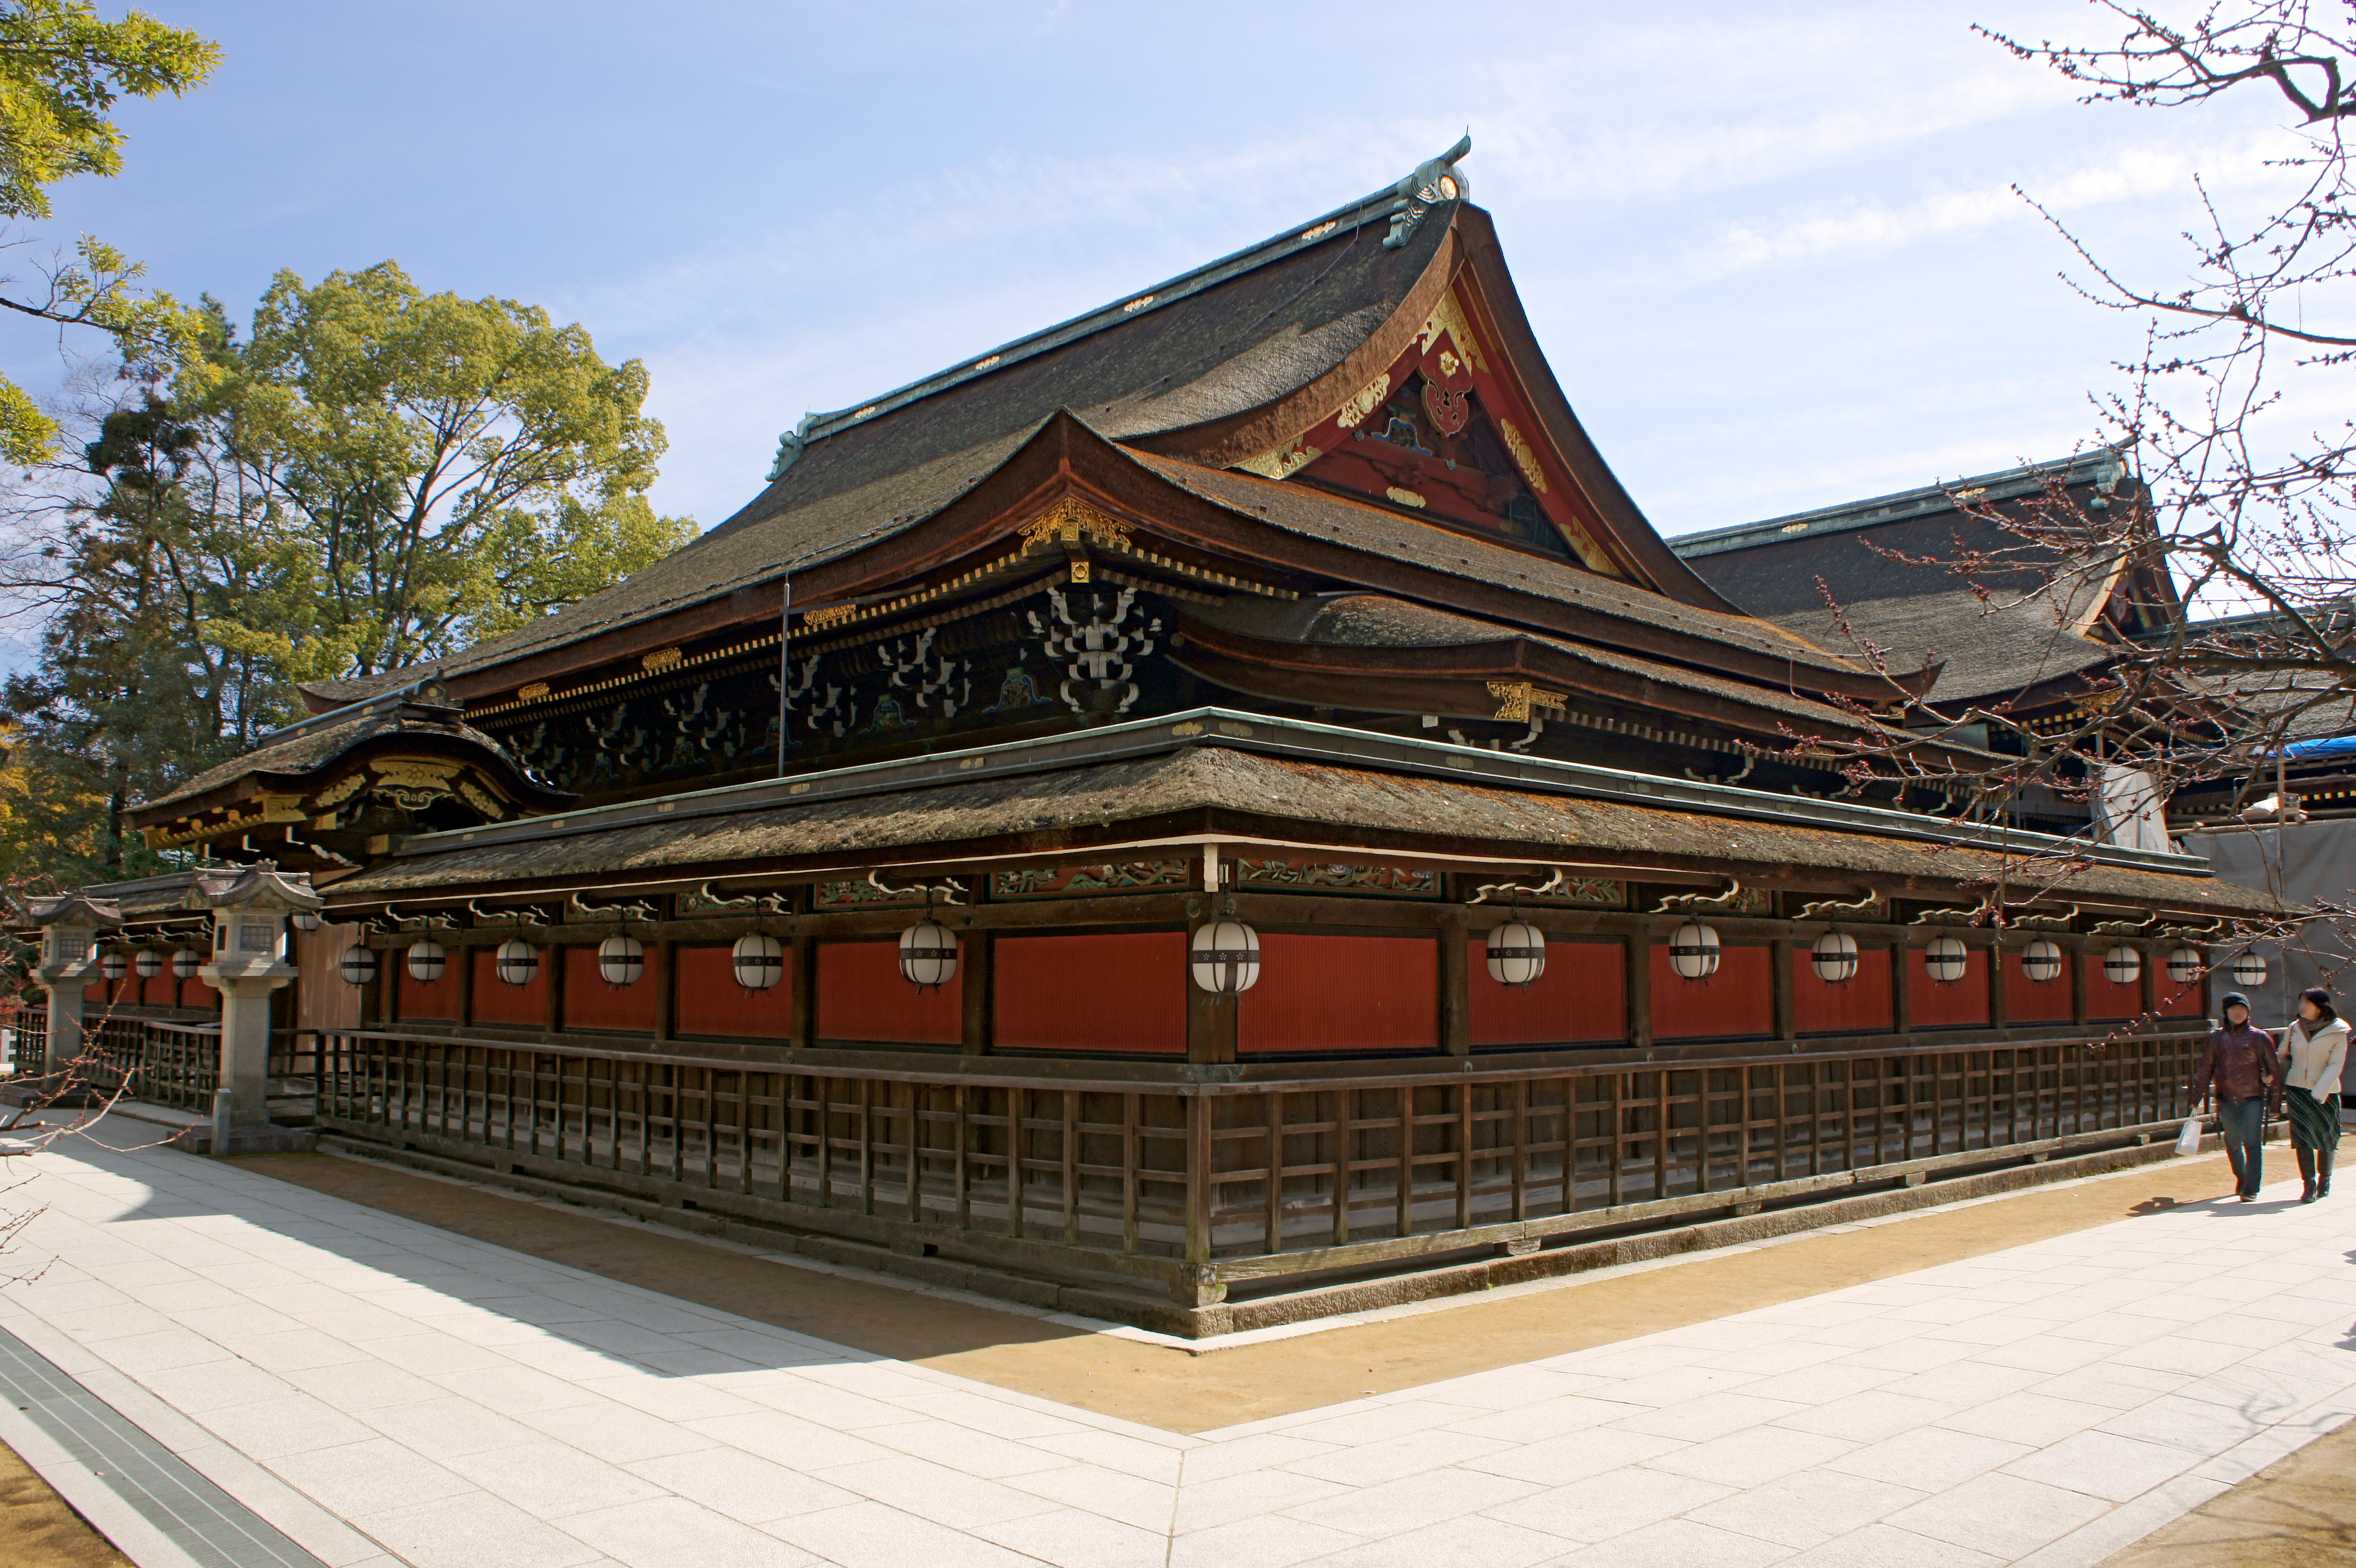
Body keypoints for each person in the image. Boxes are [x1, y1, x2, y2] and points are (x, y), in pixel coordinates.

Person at [2191, 992, 2283, 1202]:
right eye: (2233, 1009)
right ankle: (2242, 1178)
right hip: (2226, 1098)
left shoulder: (2260, 1037)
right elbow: (2205, 1069)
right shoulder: (2216, 1038)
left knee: (2252, 1143)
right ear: (2226, 1012)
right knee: (2232, 1144)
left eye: (2242, 1008)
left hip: (2253, 1097)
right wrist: (2196, 1097)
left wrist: (2275, 1104)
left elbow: (2274, 1070)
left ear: (2248, 1011)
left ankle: (2251, 1188)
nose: (2238, 1012)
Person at [2280, 987, 2348, 1203]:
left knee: (2327, 1137)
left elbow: (2336, 1064)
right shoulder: (2294, 1028)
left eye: (2306, 1004)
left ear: (2320, 1008)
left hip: (2325, 1091)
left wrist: (2320, 1091)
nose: (2301, 1008)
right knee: (2302, 1138)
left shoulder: (2338, 1031)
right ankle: (2308, 1185)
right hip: (2297, 1088)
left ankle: (2325, 1180)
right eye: (2300, 1003)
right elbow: (2284, 1055)